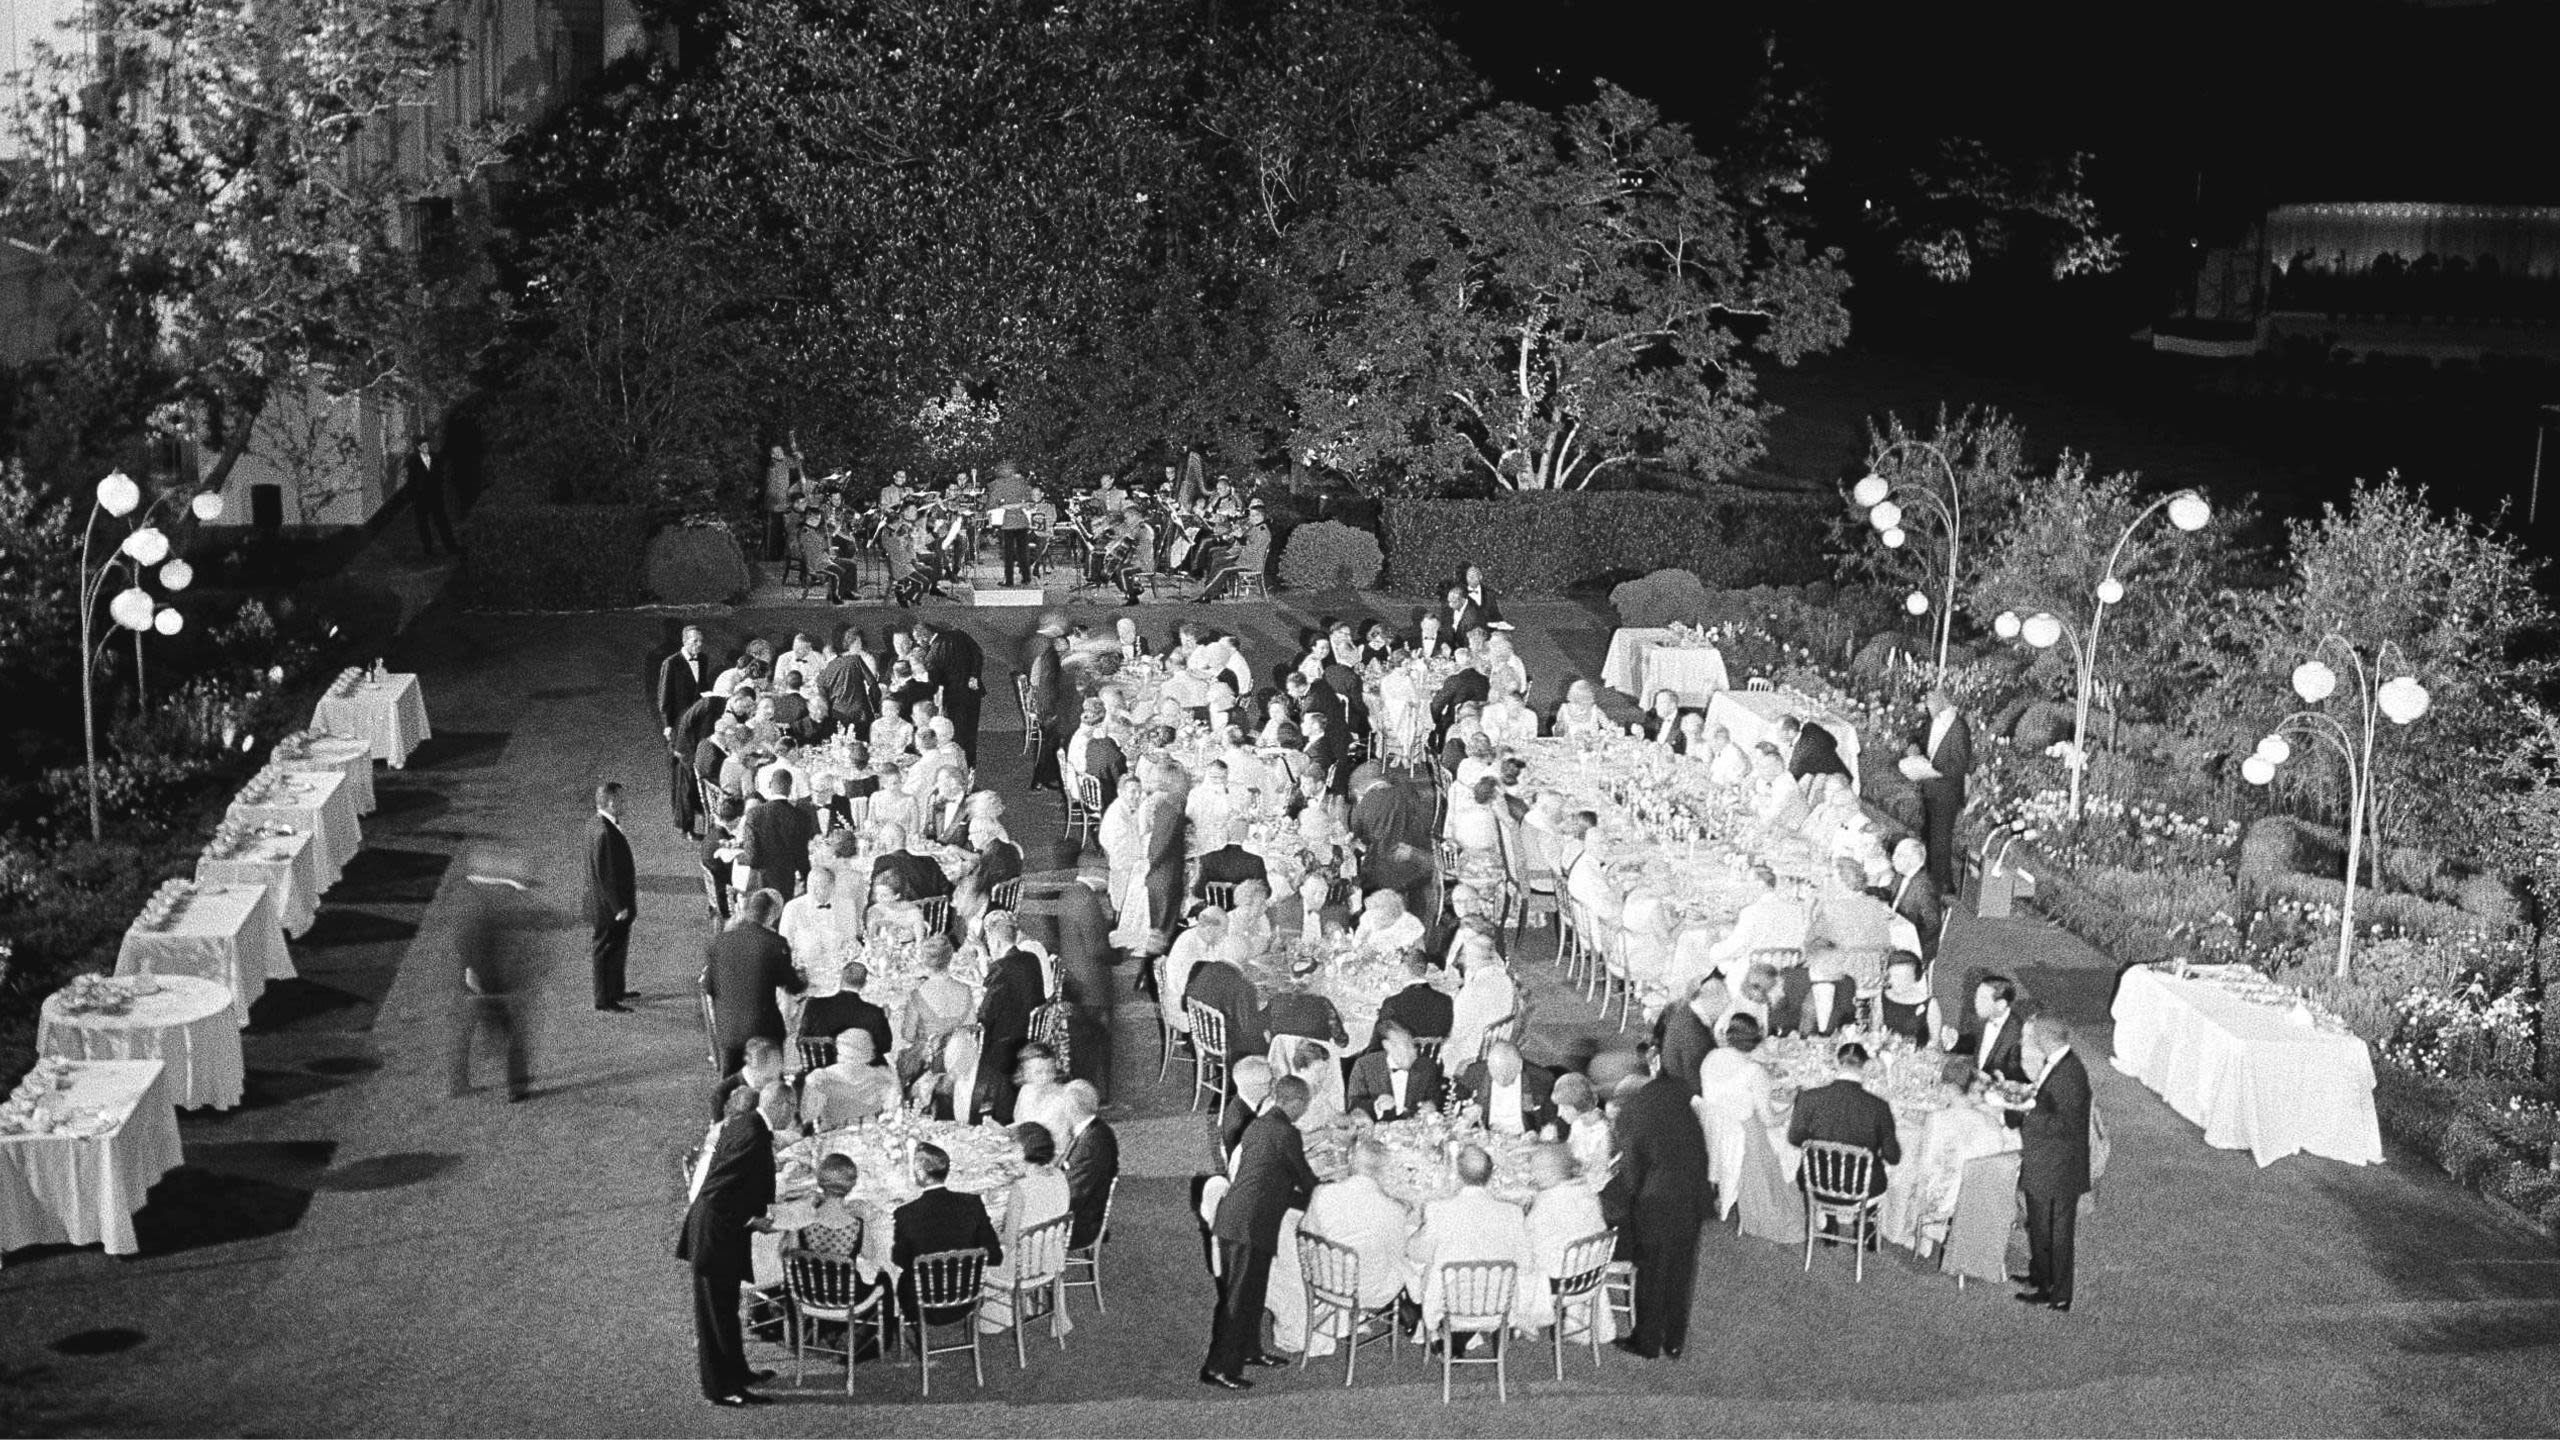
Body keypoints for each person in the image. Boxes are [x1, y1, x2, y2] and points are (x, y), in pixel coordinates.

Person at [1204, 1075, 1319, 1386]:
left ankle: (1250, 1350)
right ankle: (1219, 1367)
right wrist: (1325, 1193)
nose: (1304, 1110)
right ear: (1294, 1103)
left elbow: (1273, 1176)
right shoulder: (1287, 1133)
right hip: (1249, 1225)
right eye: (1304, 1105)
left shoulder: (1259, 1124)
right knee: (1239, 1299)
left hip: (1243, 1218)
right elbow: (1304, 1177)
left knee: (1254, 1292)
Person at [1599, 1061, 1711, 1360]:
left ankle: (1647, 1342)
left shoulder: (1631, 1114)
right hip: (1694, 1191)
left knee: (1652, 1272)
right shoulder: (1672, 1092)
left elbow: (1633, 1175)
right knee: (1681, 1269)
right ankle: (1674, 1340)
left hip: (1659, 1200)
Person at [677, 1084, 777, 1406]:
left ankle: (739, 1371)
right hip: (714, 1236)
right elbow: (717, 1194)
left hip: (721, 1233)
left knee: (727, 1311)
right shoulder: (754, 1133)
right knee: (715, 1316)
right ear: (783, 1105)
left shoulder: (748, 1123)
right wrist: (751, 1219)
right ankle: (721, 1388)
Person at [1406, 1143, 1536, 1353]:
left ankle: (1425, 1325)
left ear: (1457, 1175)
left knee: (1412, 1265)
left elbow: (1415, 1252)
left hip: (1449, 1307)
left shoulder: (1439, 1210)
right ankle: (1461, 1337)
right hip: (1498, 1304)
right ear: (1491, 1175)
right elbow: (1526, 1262)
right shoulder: (1512, 1213)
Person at [1294, 1137, 1416, 1356]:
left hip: (1325, 1279)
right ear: (1383, 1171)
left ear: (1350, 1161)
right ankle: (1418, 1315)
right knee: (1412, 1261)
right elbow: (1399, 1254)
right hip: (1367, 1290)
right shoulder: (1392, 1210)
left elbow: (1306, 1231)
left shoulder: (1323, 1193)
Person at [2014, 1017, 2093, 1313]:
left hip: (2059, 1168)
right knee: (2039, 1227)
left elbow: (2064, 1124)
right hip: (2046, 1162)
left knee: (2057, 1235)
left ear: (2046, 1039)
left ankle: (2058, 1294)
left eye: (2032, 1036)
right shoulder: (2058, 1063)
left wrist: (2026, 1113)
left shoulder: (2070, 1074)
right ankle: (2040, 1277)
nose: (2029, 1041)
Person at [450, 847, 535, 1101]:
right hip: (487, 980)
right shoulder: (479, 903)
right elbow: (472, 939)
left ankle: (459, 1082)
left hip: (479, 979)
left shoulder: (470, 897)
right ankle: (516, 1087)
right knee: (510, 1032)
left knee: (468, 1032)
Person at [890, 1142, 1005, 1322]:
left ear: (920, 1173)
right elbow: (995, 1255)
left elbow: (899, 1260)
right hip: (969, 1297)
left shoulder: (905, 1213)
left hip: (922, 1304)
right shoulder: (973, 1203)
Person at [978, 1121, 1073, 1334]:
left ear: (1023, 1151)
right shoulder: (1059, 1176)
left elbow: (1009, 1241)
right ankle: (1024, 1304)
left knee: (982, 1251)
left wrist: (987, 1231)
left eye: (1014, 1148)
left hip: (1023, 1267)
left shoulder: (1021, 1189)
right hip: (1051, 1258)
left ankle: (999, 1315)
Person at [1788, 1042, 1901, 1203]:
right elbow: (1893, 1157)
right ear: (1866, 1065)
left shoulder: (1808, 1098)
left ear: (1836, 1063)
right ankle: (1859, 1224)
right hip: (1863, 1187)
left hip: (1814, 1181)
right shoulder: (1879, 1106)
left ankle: (1823, 1219)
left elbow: (1794, 1138)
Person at [704, 891, 804, 1074]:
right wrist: (801, 978)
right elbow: (793, 986)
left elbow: (708, 987)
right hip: (762, 1030)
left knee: (728, 1079)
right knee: (770, 1078)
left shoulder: (719, 941)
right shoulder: (775, 943)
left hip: (727, 1030)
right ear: (772, 914)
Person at [1523, 1141, 1608, 1330]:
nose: (1533, 1174)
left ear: (1554, 1171)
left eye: (1537, 1169)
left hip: (1559, 1281)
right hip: (1590, 1273)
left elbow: (1526, 1241)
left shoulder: (1548, 1201)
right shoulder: (1586, 1192)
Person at [975, 916, 1048, 1123]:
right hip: (1030, 1031)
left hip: (1007, 1042)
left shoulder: (1001, 968)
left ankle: (981, 1108)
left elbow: (985, 1015)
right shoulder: (1030, 959)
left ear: (995, 942)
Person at [584, 783, 638, 1013]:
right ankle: (603, 998)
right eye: (622, 800)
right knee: (606, 949)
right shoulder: (605, 833)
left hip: (605, 903)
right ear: (611, 803)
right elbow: (605, 874)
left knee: (617, 946)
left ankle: (616, 989)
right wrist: (618, 907)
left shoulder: (595, 824)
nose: (625, 804)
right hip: (608, 907)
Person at [1913, 687, 1972, 893]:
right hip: (1931, 788)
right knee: (1931, 833)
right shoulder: (1933, 721)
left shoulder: (1958, 728)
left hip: (1946, 792)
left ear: (1941, 702)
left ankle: (1942, 885)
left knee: (1940, 838)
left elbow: (1960, 766)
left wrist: (1934, 770)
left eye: (1929, 703)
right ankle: (1934, 876)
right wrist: (1916, 751)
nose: (1926, 707)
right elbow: (1927, 746)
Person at [911, 620, 988, 763]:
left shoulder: (932, 655)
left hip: (953, 699)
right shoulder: (959, 634)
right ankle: (971, 765)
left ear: (924, 636)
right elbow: (978, 654)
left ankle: (962, 766)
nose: (918, 643)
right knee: (971, 732)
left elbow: (934, 684)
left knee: (958, 735)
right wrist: (974, 676)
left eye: (917, 639)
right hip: (972, 693)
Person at [1058, 1081, 1119, 1250]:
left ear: (1072, 1110)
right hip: (1089, 1208)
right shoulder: (1099, 1128)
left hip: (1078, 1226)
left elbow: (1070, 1197)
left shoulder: (1089, 1145)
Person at [1452, 1040, 1559, 1137]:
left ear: (1520, 1065)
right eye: (1496, 1073)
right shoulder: (1475, 1073)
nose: (1502, 1079)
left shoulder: (1541, 1079)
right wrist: (1466, 1118)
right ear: (1489, 1065)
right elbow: (1456, 1107)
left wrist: (1541, 1134)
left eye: (1508, 1073)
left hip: (1522, 1139)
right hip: (1487, 1137)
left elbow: (1551, 1122)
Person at [739, 770, 818, 901]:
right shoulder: (801, 817)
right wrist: (807, 878)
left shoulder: (754, 814)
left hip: (760, 881)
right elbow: (802, 857)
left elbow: (752, 857)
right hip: (786, 881)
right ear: (790, 788)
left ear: (770, 785)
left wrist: (739, 858)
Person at [799, 960, 893, 1069]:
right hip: (862, 1079)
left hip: (822, 1075)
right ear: (864, 984)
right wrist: (885, 1019)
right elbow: (885, 1047)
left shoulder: (814, 1005)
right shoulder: (875, 1012)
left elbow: (802, 1038)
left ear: (842, 976)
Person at [1347, 1023, 1444, 1121]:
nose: (1413, 1052)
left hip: (1414, 1131)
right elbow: (1354, 1104)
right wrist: (1377, 1105)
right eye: (1406, 1046)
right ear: (1388, 1045)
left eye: (1413, 1046)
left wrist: (1432, 1105)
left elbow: (1436, 1097)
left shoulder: (1427, 1067)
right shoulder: (1365, 1065)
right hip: (1378, 1130)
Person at [802, 1030, 898, 1128]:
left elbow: (808, 1116)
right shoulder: (884, 1077)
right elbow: (892, 1111)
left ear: (839, 1050)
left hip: (834, 1136)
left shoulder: (818, 1078)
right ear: (870, 1051)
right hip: (870, 1135)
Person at [1655, 976, 1722, 1099]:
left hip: (1672, 1079)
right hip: (1683, 1093)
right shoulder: (1696, 1035)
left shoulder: (1686, 1010)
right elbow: (1697, 1086)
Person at [1373, 953, 1453, 1049]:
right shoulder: (1446, 1001)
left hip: (1401, 1061)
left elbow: (1375, 1047)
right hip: (1433, 1062)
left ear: (1406, 969)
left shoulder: (1392, 1003)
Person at [1960, 975, 2028, 1083]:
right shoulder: (1981, 1019)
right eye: (1976, 997)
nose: (1976, 1002)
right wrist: (1954, 1041)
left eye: (1983, 999)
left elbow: (2017, 1076)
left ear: (2001, 1004)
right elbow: (1974, 1044)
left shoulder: (2019, 1033)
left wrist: (1993, 1079)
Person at [1877, 954, 1944, 1047]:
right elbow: (1874, 1034)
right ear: (1888, 976)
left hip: (1917, 1059)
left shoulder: (1929, 1003)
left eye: (1906, 976)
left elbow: (1935, 1042)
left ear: (1916, 977)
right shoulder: (1881, 998)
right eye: (1895, 976)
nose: (1900, 981)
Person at [1781, 716, 1850, 783]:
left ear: (1791, 732)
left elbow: (1791, 782)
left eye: (1779, 731)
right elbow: (1834, 742)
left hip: (1835, 785)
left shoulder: (1799, 758)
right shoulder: (1810, 727)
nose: (1777, 735)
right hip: (1842, 774)